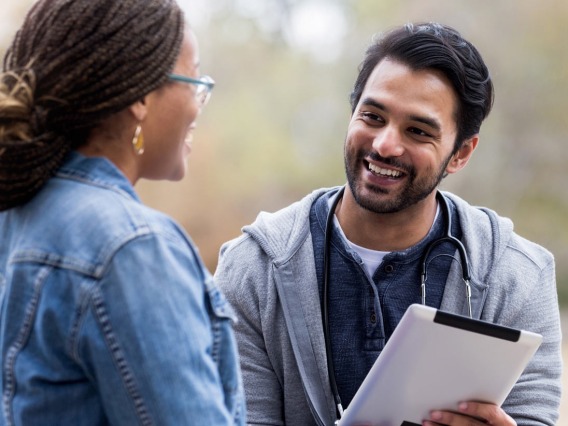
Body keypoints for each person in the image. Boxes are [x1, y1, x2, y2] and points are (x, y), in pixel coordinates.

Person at [215, 22, 562, 426]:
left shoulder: (518, 276)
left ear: (461, 153)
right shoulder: (253, 271)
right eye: (373, 116)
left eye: (417, 131)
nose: (385, 145)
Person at [0, 0, 245, 424]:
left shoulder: (16, 211)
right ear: (141, 98)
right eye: (193, 81)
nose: (198, 103)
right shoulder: (132, 248)